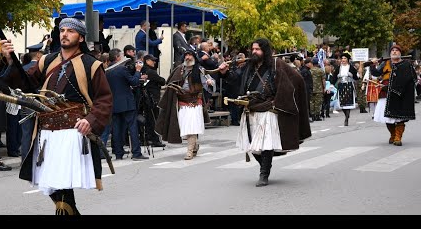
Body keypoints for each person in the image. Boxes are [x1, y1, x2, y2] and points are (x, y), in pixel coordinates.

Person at [0, 17, 113, 215]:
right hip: (46, 133)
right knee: (54, 186)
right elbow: (26, 85)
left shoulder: (91, 64)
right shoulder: (47, 60)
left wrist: (90, 120)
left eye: (70, 31)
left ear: (80, 37)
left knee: (60, 187)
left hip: (72, 132)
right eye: (62, 30)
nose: (65, 34)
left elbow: (104, 99)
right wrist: (11, 60)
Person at [218, 38, 311, 187]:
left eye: (257, 49)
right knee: (252, 146)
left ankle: (264, 174)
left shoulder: (276, 64)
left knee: (266, 144)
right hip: (251, 108)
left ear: (265, 50)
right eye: (253, 49)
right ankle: (265, 165)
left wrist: (279, 99)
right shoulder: (249, 66)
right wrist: (225, 73)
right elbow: (236, 80)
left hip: (268, 108)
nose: (254, 52)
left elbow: (296, 79)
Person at [155, 50, 215, 160]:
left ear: (194, 57)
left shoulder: (200, 70)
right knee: (185, 127)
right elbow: (171, 83)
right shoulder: (179, 70)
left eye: (190, 55)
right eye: (186, 55)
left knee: (191, 127)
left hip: (195, 102)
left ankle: (189, 151)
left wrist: (209, 83)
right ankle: (194, 145)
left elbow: (210, 82)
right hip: (182, 102)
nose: (188, 57)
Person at [370, 44, 416, 146]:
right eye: (392, 50)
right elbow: (376, 74)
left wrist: (393, 87)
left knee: (399, 116)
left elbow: (410, 80)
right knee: (387, 116)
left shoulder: (406, 65)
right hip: (385, 92)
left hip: (400, 93)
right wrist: (373, 64)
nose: (394, 52)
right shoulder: (386, 63)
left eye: (396, 50)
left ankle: (398, 137)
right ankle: (393, 134)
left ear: (400, 53)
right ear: (390, 53)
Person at [332, 53, 363, 126]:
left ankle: (346, 118)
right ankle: (346, 114)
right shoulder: (338, 68)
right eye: (342, 58)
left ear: (348, 60)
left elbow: (356, 77)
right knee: (342, 103)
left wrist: (353, 74)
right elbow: (334, 78)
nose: (343, 60)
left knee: (348, 102)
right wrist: (333, 83)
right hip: (341, 85)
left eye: (345, 58)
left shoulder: (351, 67)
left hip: (349, 85)